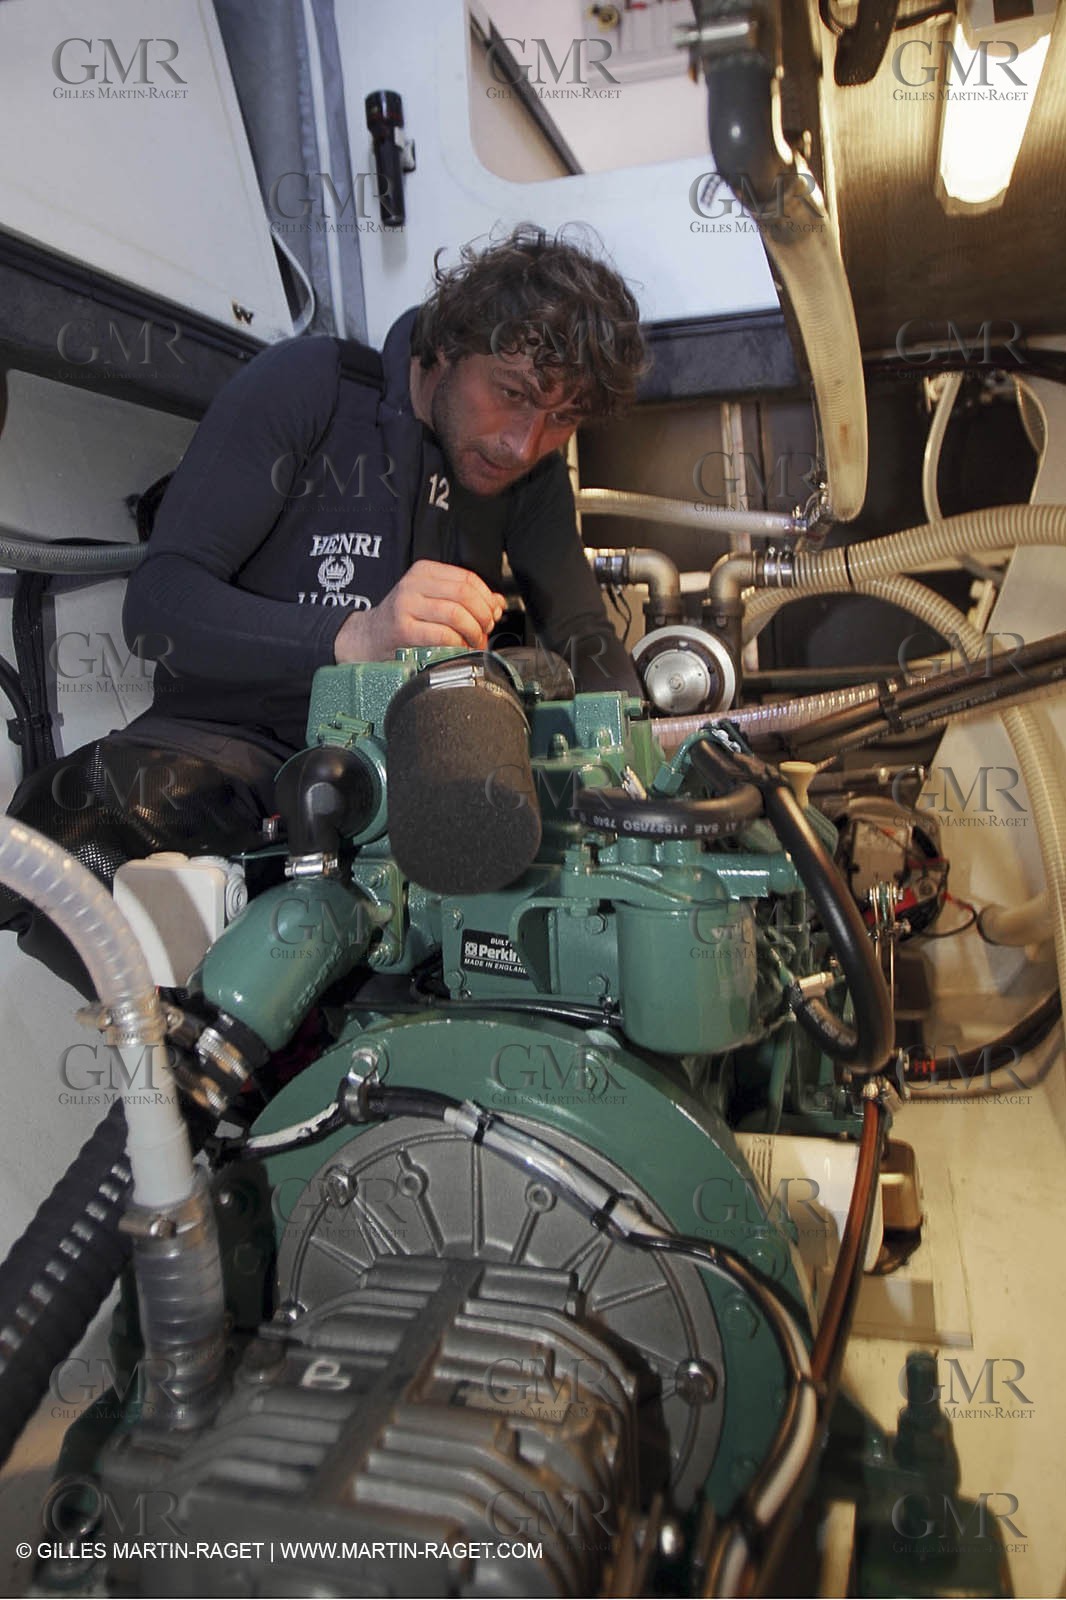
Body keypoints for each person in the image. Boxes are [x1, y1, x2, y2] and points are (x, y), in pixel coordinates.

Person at [2, 224, 647, 991]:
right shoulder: (308, 386)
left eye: (561, 419)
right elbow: (160, 604)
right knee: (66, 827)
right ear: (444, 349)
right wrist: (352, 633)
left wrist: (644, 740)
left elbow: (581, 632)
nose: (521, 443)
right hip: (235, 756)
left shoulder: (529, 479)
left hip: (415, 774)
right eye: (510, 394)